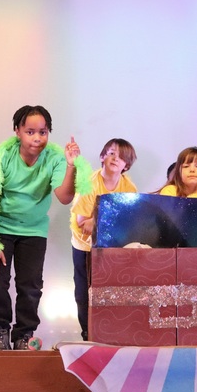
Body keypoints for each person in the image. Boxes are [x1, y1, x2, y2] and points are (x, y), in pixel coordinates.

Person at [0, 105, 85, 351]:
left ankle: (24, 335)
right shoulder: (2, 156)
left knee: (30, 286)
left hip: (33, 231)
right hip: (0, 228)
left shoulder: (54, 159)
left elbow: (64, 197)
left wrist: (71, 166)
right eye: (30, 132)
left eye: (43, 132)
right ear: (17, 131)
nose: (37, 138)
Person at [70, 138, 137, 340]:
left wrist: (98, 220)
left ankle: (110, 332)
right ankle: (87, 332)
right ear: (102, 157)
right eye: (111, 153)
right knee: (84, 291)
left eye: (122, 157)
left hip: (111, 245)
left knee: (110, 289)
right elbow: (83, 223)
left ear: (127, 165)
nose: (115, 158)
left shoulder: (129, 187)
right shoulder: (89, 184)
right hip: (84, 245)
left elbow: (130, 222)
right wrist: (109, 220)